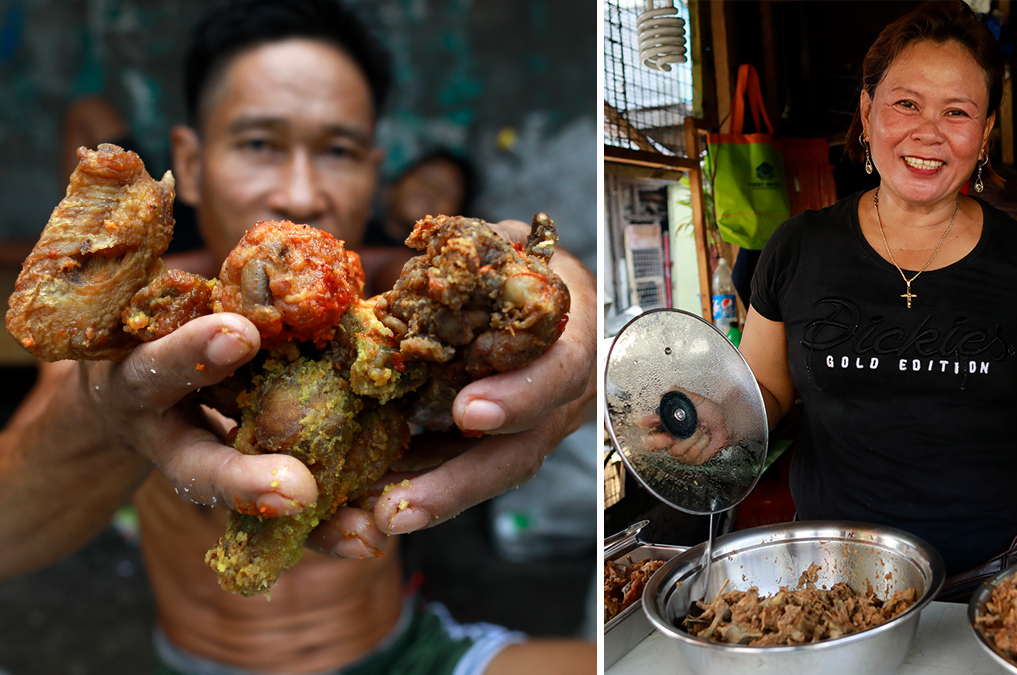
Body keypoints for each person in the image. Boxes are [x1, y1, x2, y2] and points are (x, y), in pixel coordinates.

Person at [0, 1, 597, 673]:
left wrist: (570, 313)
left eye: (338, 150)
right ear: (191, 163)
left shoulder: (399, 295)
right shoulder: (135, 333)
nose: (302, 191)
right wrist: (98, 412)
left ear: (374, 169)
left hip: (406, 650)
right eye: (260, 144)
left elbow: (518, 284)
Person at [736, 0, 1017, 600]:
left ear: (984, 133)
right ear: (868, 112)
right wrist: (715, 420)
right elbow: (762, 393)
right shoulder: (798, 246)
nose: (928, 132)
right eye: (906, 104)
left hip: (998, 577)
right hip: (836, 585)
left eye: (957, 111)